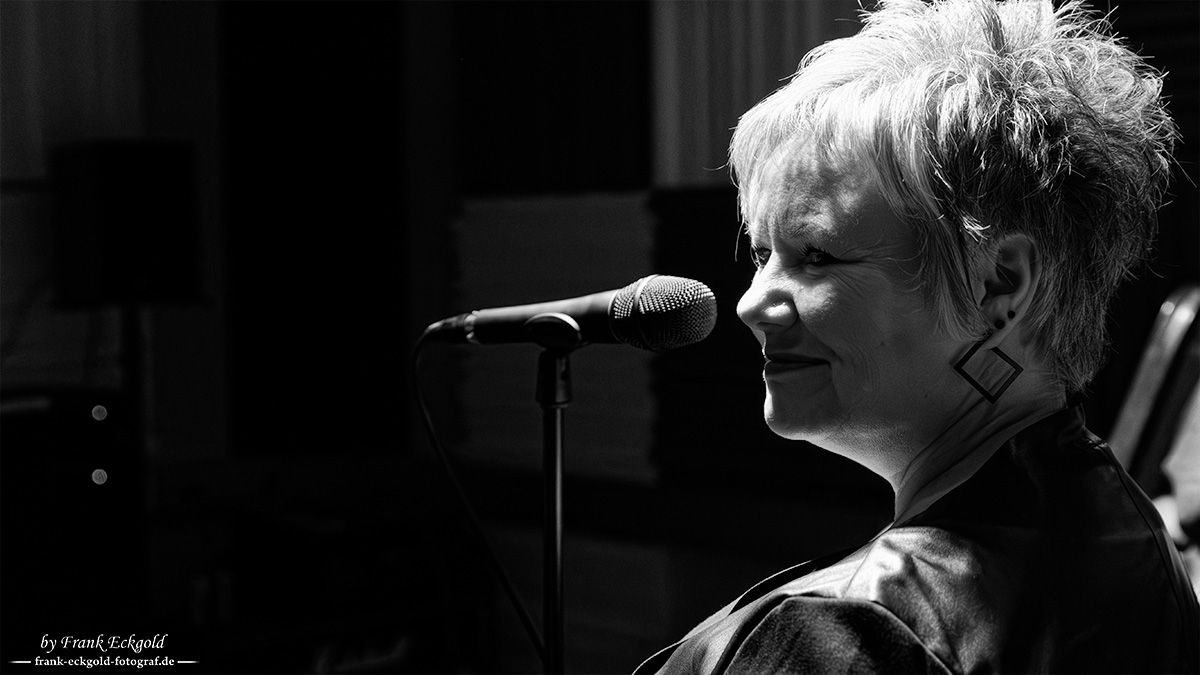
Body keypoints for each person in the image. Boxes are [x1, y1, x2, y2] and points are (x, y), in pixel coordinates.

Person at [635, 0, 1199, 672]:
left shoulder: (853, 632)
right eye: (762, 255)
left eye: (817, 255)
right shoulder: (1131, 535)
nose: (752, 304)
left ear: (998, 283)